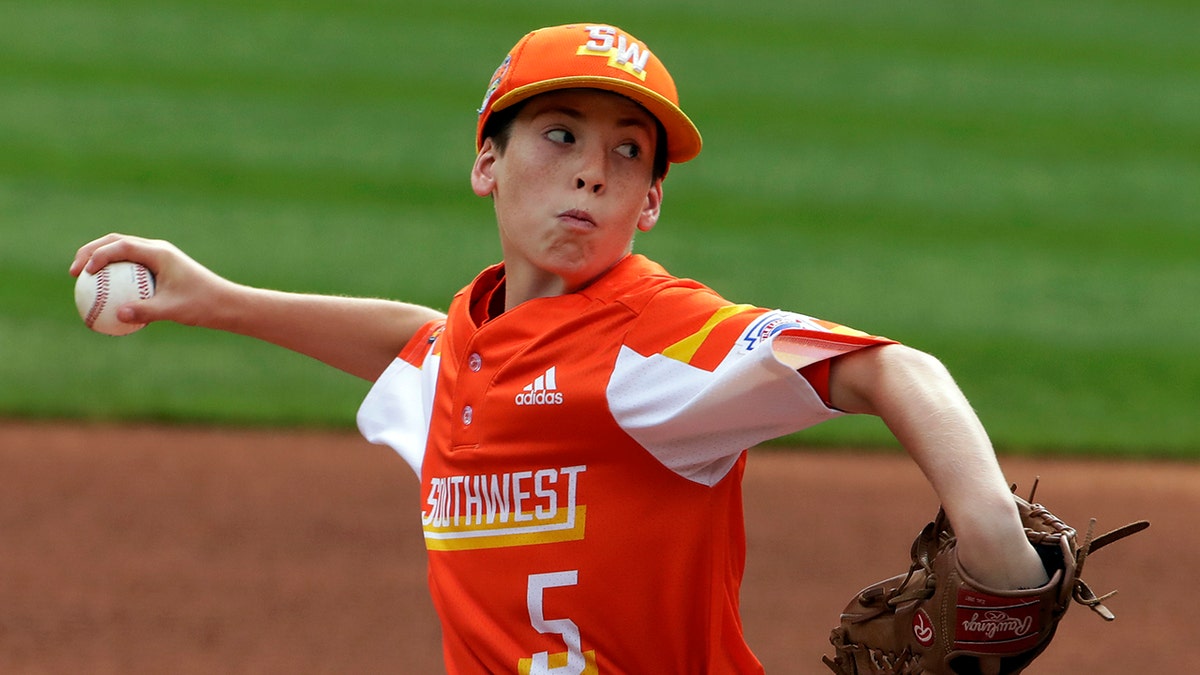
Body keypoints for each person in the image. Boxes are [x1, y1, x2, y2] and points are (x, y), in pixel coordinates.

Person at [70, 23, 1049, 674]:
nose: (592, 172)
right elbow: (424, 344)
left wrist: (1000, 559)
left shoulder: (655, 341)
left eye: (630, 153)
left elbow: (897, 370)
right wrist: (221, 300)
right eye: (561, 135)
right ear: (487, 162)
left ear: (650, 203)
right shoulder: (473, 349)